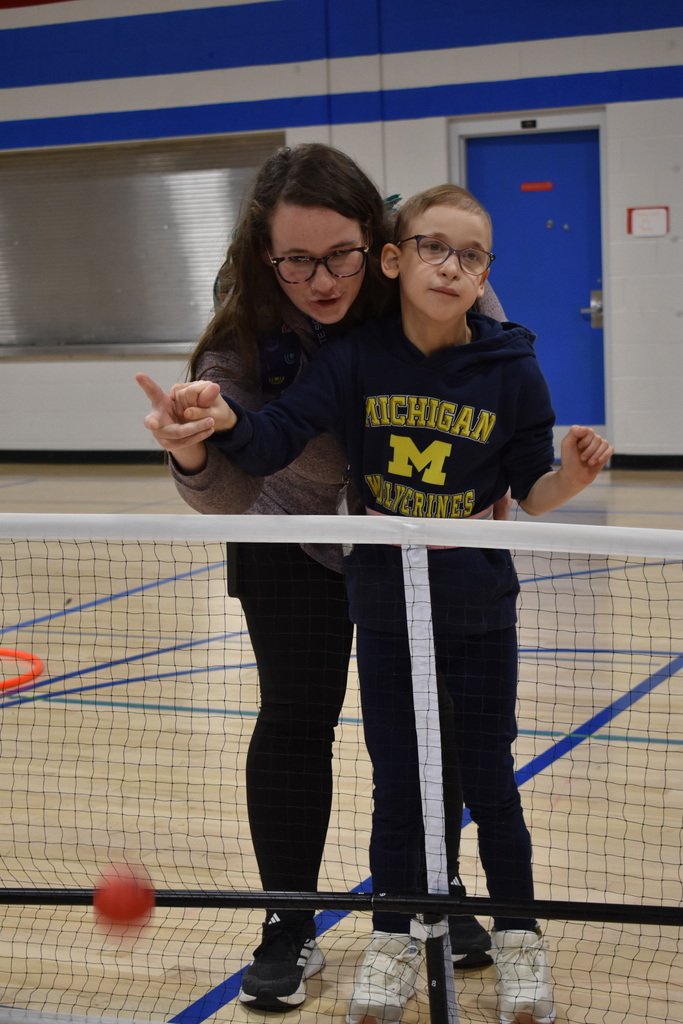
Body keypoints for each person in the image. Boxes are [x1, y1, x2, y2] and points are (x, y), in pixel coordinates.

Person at [168, 182, 614, 1024]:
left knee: (488, 781)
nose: (451, 266)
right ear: (395, 259)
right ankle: (395, 935)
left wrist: (572, 476)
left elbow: (533, 489)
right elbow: (272, 439)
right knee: (397, 784)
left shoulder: (509, 363)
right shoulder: (352, 359)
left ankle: (519, 940)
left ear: (485, 273)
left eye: (470, 255)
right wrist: (219, 418)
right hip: (379, 602)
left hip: (478, 604)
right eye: (434, 248)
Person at [136, 146, 507, 1013]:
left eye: (339, 254)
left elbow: (495, 395)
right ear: (265, 255)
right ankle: (288, 921)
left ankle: (429, 888)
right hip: (288, 536)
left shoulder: (430, 279)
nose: (320, 278)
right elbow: (228, 496)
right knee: (296, 722)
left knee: (425, 724)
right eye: (295, 260)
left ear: (375, 240)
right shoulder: (244, 328)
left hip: (411, 539)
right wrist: (193, 445)